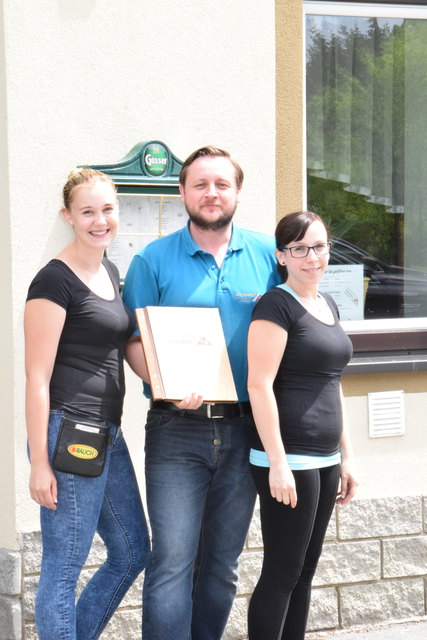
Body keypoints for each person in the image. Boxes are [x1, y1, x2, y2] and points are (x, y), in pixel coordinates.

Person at [123, 145, 281, 640]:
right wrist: (166, 382)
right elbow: (132, 341)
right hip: (176, 431)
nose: (211, 193)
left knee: (222, 564)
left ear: (237, 191)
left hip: (245, 428)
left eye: (221, 184)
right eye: (201, 184)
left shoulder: (266, 256)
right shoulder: (152, 259)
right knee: (171, 561)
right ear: (182, 192)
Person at [24, 168, 150, 640]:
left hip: (106, 434)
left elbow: (122, 347)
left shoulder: (110, 271)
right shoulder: (53, 281)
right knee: (64, 563)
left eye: (108, 209)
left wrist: (167, 383)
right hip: (67, 433)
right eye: (88, 211)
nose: (101, 220)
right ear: (68, 216)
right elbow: (36, 377)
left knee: (133, 551)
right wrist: (40, 461)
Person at [247, 211, 358, 640]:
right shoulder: (275, 305)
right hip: (289, 458)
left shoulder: (326, 303)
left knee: (304, 573)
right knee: (282, 571)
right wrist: (277, 463)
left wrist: (348, 456)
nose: (312, 257)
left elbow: (334, 384)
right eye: (299, 248)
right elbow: (259, 385)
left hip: (326, 457)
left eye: (319, 246)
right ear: (282, 255)